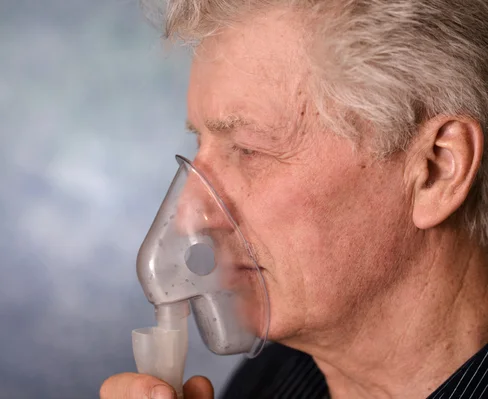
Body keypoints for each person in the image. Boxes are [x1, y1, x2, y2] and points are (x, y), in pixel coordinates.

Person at [100, 1, 488, 398]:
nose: (188, 216)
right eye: (200, 144)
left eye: (248, 150)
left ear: (437, 169)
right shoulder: (271, 380)